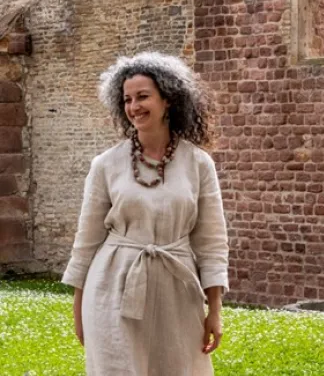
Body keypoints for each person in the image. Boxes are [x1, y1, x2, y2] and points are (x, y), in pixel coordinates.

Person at [62, 52, 230, 375]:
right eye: (127, 99)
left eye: (143, 96)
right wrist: (79, 308)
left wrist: (215, 310)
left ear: (167, 99)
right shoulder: (106, 165)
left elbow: (211, 242)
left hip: (177, 293)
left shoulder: (198, 164)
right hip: (112, 288)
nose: (134, 106)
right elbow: (87, 241)